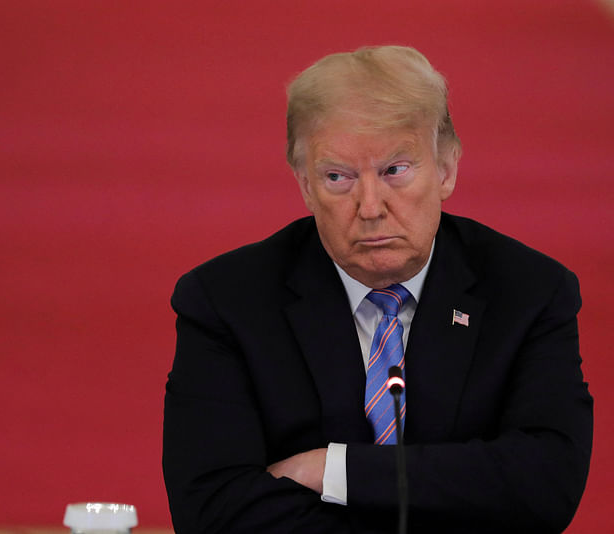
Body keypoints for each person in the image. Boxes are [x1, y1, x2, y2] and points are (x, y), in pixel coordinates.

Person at [162, 46, 593, 533]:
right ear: (304, 185)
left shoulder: (528, 291)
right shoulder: (227, 300)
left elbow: (545, 484)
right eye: (337, 177)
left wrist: (334, 471)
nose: (370, 207)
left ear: (446, 169)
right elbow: (214, 510)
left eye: (395, 170)